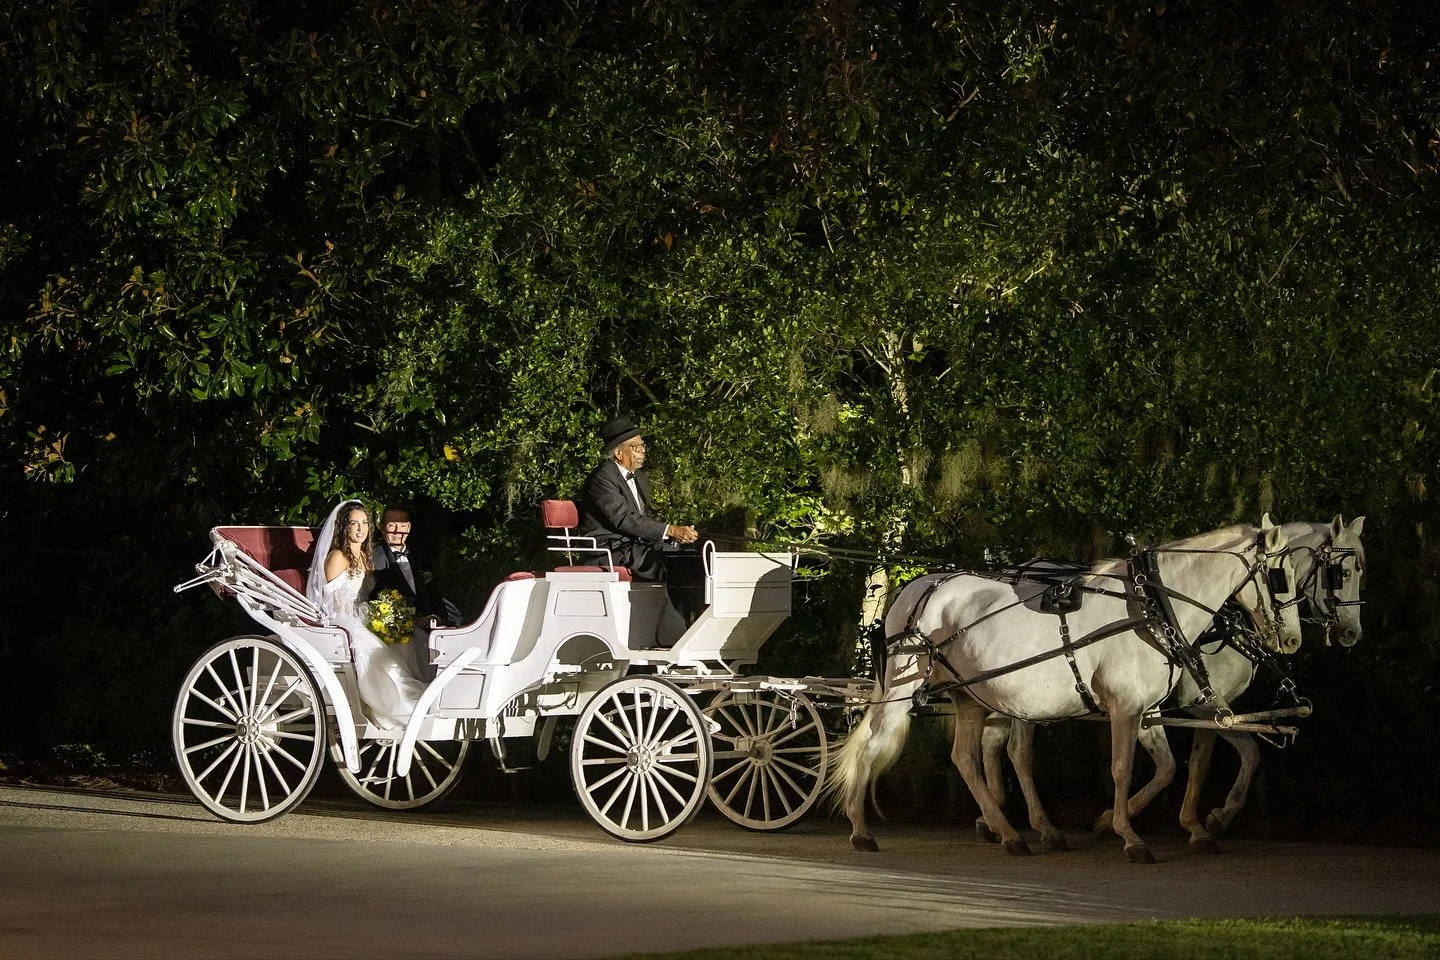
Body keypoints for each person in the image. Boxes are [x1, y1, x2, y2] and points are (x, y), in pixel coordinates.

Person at [305, 499, 425, 732]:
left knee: (410, 639)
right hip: (340, 618)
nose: (360, 529)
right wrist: (361, 623)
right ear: (344, 527)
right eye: (354, 524)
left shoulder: (364, 556)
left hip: (363, 613)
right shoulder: (337, 557)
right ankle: (392, 706)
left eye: (364, 523)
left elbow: (367, 595)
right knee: (375, 651)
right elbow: (335, 603)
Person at [575, 415, 699, 583]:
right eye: (636, 446)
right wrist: (671, 530)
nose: (643, 450)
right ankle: (670, 609)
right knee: (668, 564)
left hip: (634, 546)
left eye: (642, 445)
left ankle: (692, 608)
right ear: (619, 453)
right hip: (610, 549)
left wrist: (672, 536)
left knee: (690, 557)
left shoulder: (638, 477)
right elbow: (624, 519)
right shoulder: (602, 478)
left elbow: (644, 518)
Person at [370, 504, 463, 627]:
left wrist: (435, 617)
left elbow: (434, 594)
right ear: (382, 528)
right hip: (395, 631)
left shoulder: (421, 556)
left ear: (409, 528)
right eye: (392, 525)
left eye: (403, 526)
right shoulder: (375, 558)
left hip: (428, 630)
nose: (398, 531)